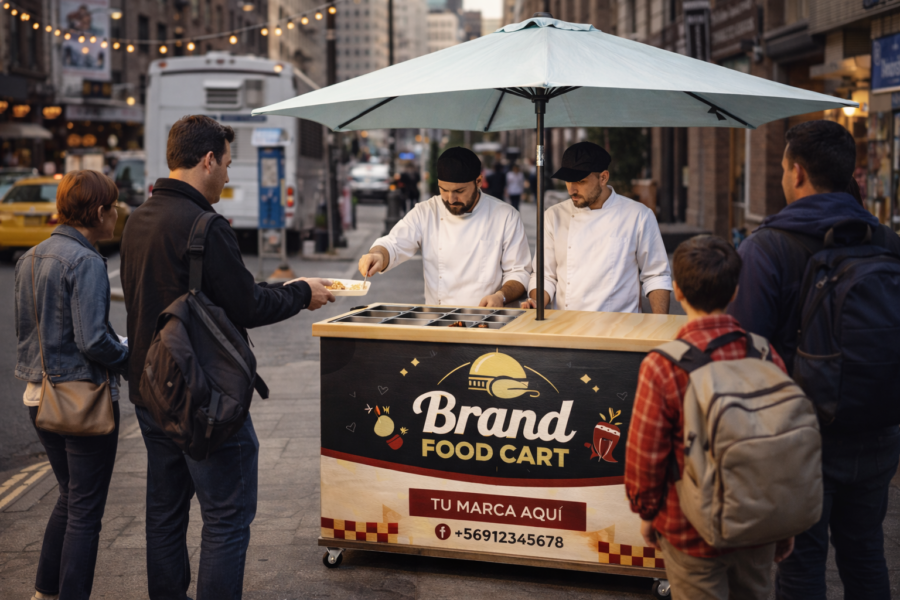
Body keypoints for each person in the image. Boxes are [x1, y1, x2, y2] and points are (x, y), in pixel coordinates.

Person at [120, 115, 334, 600]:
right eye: (228, 164)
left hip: (152, 393)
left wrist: (289, 286)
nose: (228, 175)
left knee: (164, 516)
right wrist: (302, 293)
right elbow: (248, 305)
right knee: (226, 517)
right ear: (208, 159)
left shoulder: (138, 219)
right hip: (205, 399)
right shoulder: (205, 225)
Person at [728, 119, 900, 600]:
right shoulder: (885, 240)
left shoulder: (768, 247)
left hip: (800, 435)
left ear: (797, 173)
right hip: (879, 424)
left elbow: (745, 351)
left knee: (800, 562)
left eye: (783, 168)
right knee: (866, 551)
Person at [625, 235, 794, 600]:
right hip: (756, 521)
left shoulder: (663, 365)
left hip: (688, 526)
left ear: (677, 291)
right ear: (735, 292)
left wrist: (647, 514)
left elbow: (646, 455)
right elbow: (784, 442)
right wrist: (784, 521)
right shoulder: (765, 354)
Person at [15, 170, 130, 600]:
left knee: (69, 497)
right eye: (113, 207)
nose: (117, 214)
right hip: (82, 401)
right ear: (99, 212)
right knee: (85, 511)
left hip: (39, 397)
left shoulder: (30, 257)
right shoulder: (86, 261)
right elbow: (93, 341)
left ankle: (45, 591)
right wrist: (131, 360)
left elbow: (33, 333)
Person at [358, 146, 531, 307]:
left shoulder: (506, 216)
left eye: (459, 191)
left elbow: (519, 271)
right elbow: (393, 243)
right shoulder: (426, 211)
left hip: (488, 318)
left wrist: (501, 296)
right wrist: (378, 255)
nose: (450, 199)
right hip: (439, 317)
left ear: (478, 181)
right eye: (444, 190)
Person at [522, 141, 671, 313]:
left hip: (620, 324)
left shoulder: (638, 216)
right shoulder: (553, 216)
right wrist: (536, 301)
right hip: (567, 323)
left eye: (580, 181)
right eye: (568, 181)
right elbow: (545, 276)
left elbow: (656, 275)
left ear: (603, 178)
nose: (571, 190)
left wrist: (661, 322)